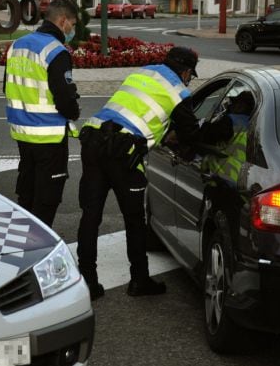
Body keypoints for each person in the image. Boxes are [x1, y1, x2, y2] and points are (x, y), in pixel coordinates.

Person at [75, 46, 202, 300]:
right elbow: (193, 135)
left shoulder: (144, 72)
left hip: (94, 140)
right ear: (186, 72)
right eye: (191, 75)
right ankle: (139, 281)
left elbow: (139, 112)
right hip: (123, 153)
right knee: (134, 221)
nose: (189, 80)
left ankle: (87, 282)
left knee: (90, 216)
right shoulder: (178, 92)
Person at [3, 0, 81, 227]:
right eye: (73, 25)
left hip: (22, 133)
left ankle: (21, 241)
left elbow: (5, 86)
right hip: (49, 137)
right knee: (47, 198)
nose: (73, 30)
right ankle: (39, 248)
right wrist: (74, 111)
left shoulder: (18, 45)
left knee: (27, 192)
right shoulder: (56, 51)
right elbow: (65, 99)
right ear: (63, 20)